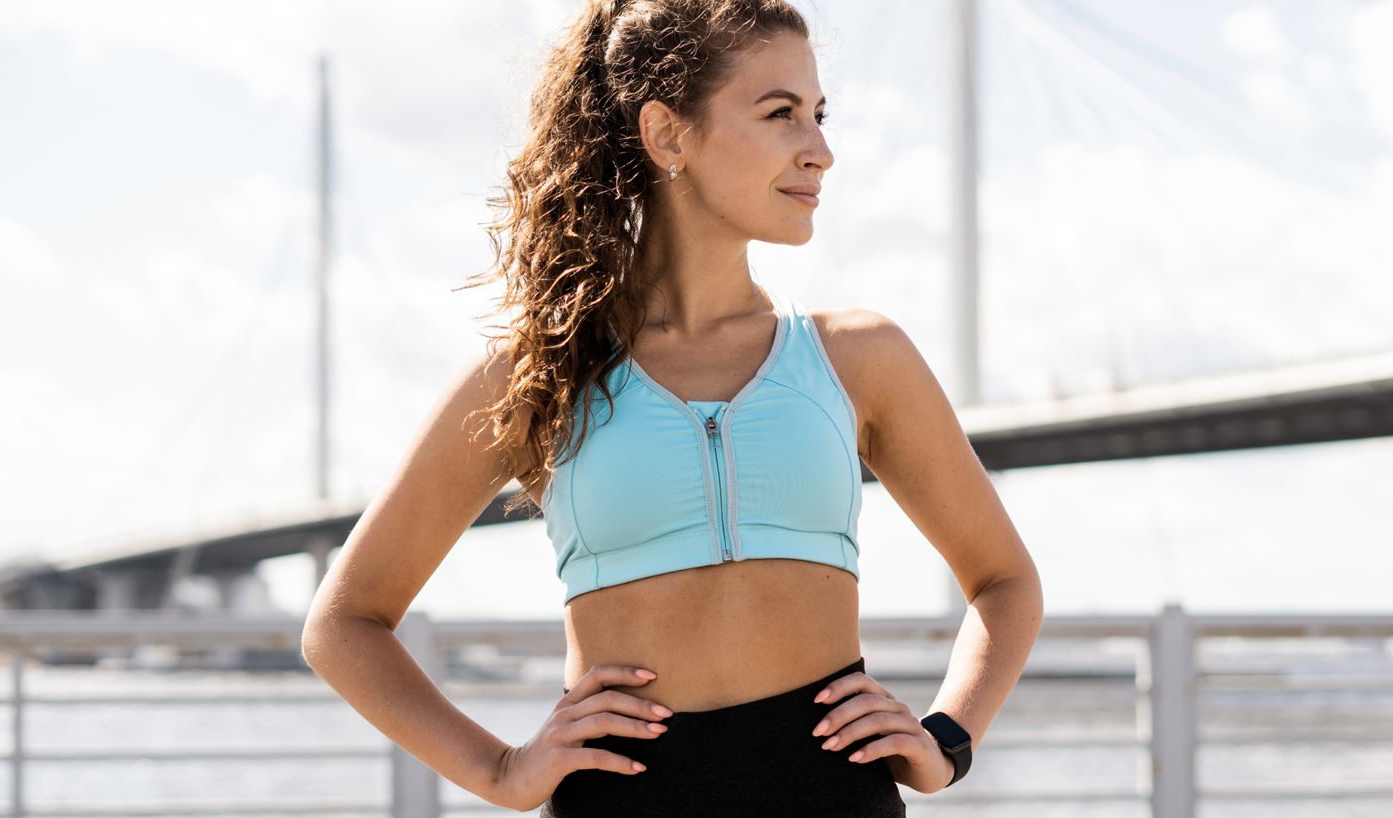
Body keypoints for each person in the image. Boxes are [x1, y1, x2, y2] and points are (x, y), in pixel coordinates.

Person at [301, 0, 1044, 815]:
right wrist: (502, 771)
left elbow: (1005, 581)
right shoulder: (538, 375)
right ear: (666, 134)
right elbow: (344, 623)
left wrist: (947, 741)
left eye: (819, 115)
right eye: (781, 114)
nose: (821, 151)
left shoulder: (858, 357)